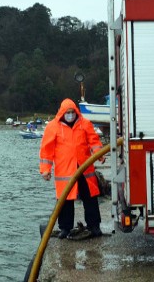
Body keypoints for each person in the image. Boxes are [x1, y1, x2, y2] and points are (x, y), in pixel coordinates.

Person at [39, 98, 105, 239]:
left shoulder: (85, 124)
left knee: (90, 198)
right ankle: (65, 228)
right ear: (62, 113)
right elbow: (46, 150)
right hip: (65, 171)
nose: (70, 115)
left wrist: (99, 155)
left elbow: (94, 141)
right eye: (67, 112)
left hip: (84, 168)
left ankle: (94, 226)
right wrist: (45, 169)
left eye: (72, 112)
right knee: (65, 201)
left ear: (76, 111)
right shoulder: (53, 127)